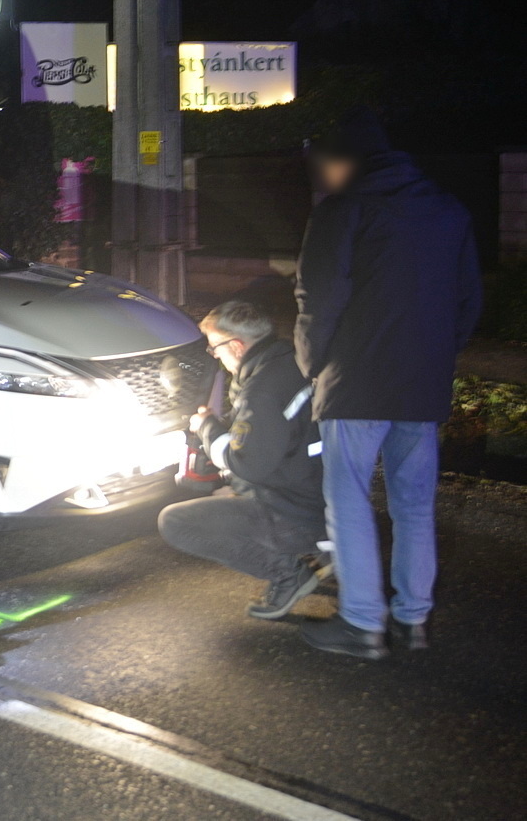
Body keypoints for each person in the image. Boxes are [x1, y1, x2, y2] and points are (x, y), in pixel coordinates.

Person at [294, 106, 481, 659]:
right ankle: (412, 619)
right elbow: (468, 299)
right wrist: (437, 355)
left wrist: (311, 365)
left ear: (343, 161)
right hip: (422, 383)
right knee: (414, 503)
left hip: (355, 383)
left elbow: (318, 299)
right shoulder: (447, 210)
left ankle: (361, 624)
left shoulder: (343, 211)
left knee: (348, 500)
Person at [158, 301, 328, 620]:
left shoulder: (261, 390)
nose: (215, 356)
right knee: (226, 495)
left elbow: (249, 463)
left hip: (294, 511)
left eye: (214, 349)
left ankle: (288, 574)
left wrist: (206, 427)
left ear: (236, 346)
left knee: (176, 522)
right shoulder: (288, 362)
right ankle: (322, 550)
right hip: (315, 494)